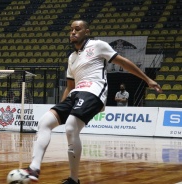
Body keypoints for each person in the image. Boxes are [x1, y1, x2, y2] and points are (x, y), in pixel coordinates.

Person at [23, 20, 162, 184]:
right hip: (75, 93)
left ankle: (73, 179)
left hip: (94, 91)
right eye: (71, 30)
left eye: (77, 29)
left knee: (70, 127)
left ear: (86, 31)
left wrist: (147, 80)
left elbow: (123, 62)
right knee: (45, 121)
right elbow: (69, 87)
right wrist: (60, 108)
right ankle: (34, 168)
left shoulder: (98, 45)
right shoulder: (71, 58)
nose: (73, 32)